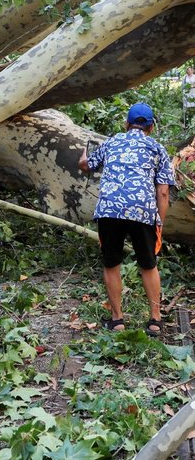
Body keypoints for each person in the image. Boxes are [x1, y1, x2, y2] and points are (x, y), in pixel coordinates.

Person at [78, 103, 175, 336]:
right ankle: (155, 319)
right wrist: (158, 223)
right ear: (150, 127)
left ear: (126, 124)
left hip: (110, 211)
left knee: (112, 264)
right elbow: (162, 192)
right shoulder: (157, 148)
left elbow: (86, 166)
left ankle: (117, 319)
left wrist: (83, 158)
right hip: (142, 212)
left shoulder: (111, 142)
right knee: (148, 265)